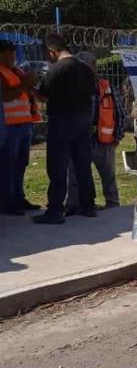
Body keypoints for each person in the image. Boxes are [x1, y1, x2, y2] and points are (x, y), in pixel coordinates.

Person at [33, 35, 96, 225]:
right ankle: (88, 205)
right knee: (83, 164)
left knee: (58, 166)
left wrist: (31, 88)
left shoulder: (56, 70)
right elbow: (92, 92)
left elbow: (43, 95)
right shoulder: (85, 69)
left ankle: (55, 210)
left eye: (47, 54)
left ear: (52, 51)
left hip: (61, 122)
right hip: (83, 120)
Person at [66, 51, 126, 214]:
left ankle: (113, 206)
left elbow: (119, 112)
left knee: (108, 177)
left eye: (88, 66)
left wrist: (117, 135)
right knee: (74, 177)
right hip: (79, 141)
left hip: (103, 141)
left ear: (94, 67)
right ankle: (73, 205)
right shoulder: (71, 88)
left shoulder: (105, 87)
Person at [0, 40, 41, 215]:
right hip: (9, 127)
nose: (12, 56)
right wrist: (25, 83)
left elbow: (27, 91)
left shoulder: (17, 71)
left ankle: (19, 197)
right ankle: (7, 202)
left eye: (13, 53)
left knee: (20, 164)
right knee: (8, 165)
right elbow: (6, 96)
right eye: (8, 53)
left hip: (24, 125)